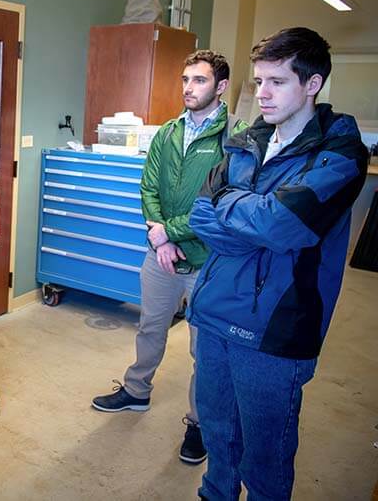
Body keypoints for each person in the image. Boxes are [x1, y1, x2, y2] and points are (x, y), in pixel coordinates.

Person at [188, 27, 368, 500]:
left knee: (265, 456)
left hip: (276, 330)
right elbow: (200, 214)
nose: (262, 94)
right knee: (217, 434)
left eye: (277, 82)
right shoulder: (246, 140)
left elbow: (284, 225)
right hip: (213, 315)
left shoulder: (340, 151)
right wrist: (252, 217)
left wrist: (238, 207)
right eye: (259, 80)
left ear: (311, 85)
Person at [91, 50, 247, 464]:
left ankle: (200, 422)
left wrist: (171, 232)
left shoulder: (236, 137)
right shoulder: (167, 133)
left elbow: (220, 202)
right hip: (160, 257)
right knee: (150, 327)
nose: (188, 88)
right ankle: (136, 391)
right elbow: (148, 189)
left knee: (205, 349)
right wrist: (158, 238)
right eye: (184, 80)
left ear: (221, 86)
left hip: (209, 262)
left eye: (198, 80)